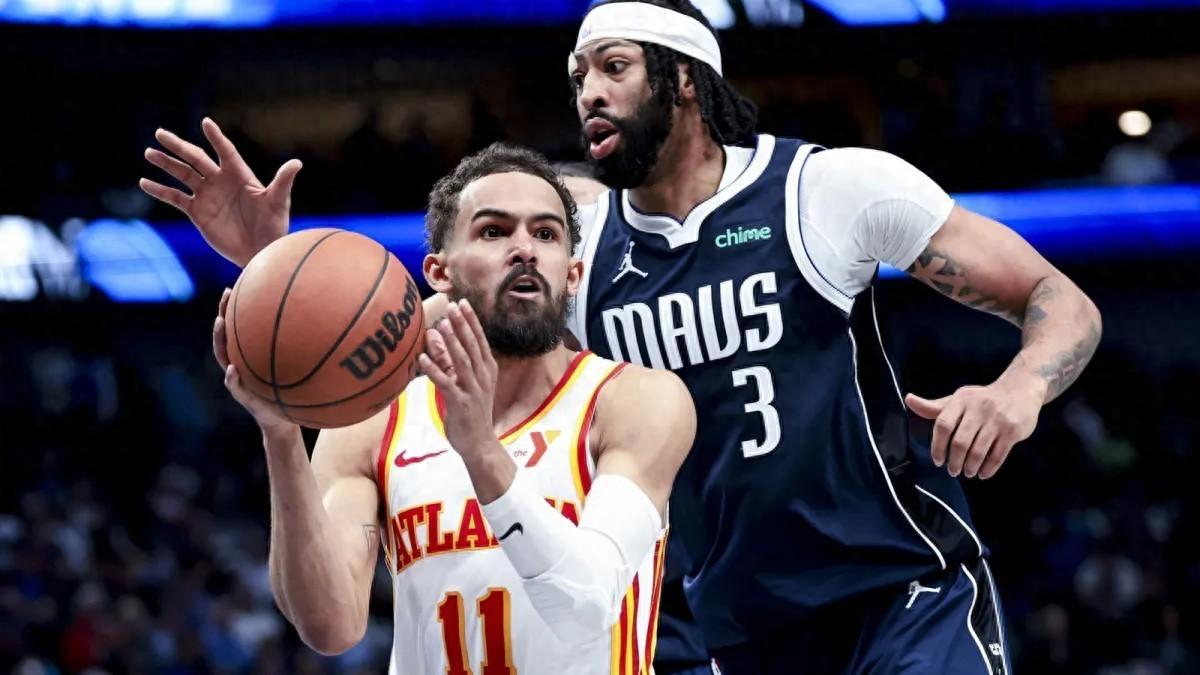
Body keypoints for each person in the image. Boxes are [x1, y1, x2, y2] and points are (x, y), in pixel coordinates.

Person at [563, 2, 1101, 673]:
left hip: (902, 597)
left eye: (614, 67)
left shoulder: (821, 189)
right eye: (579, 76)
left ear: (685, 78)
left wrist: (1020, 389)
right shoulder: (576, 257)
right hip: (744, 633)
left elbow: (1059, 298)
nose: (589, 92)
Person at [183, 142, 695, 673]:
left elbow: (585, 607)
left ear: (572, 273)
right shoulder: (377, 419)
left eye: (546, 234)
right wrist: (281, 426)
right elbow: (330, 626)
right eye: (494, 231)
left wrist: (481, 452)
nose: (525, 250)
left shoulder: (634, 401)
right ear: (438, 271)